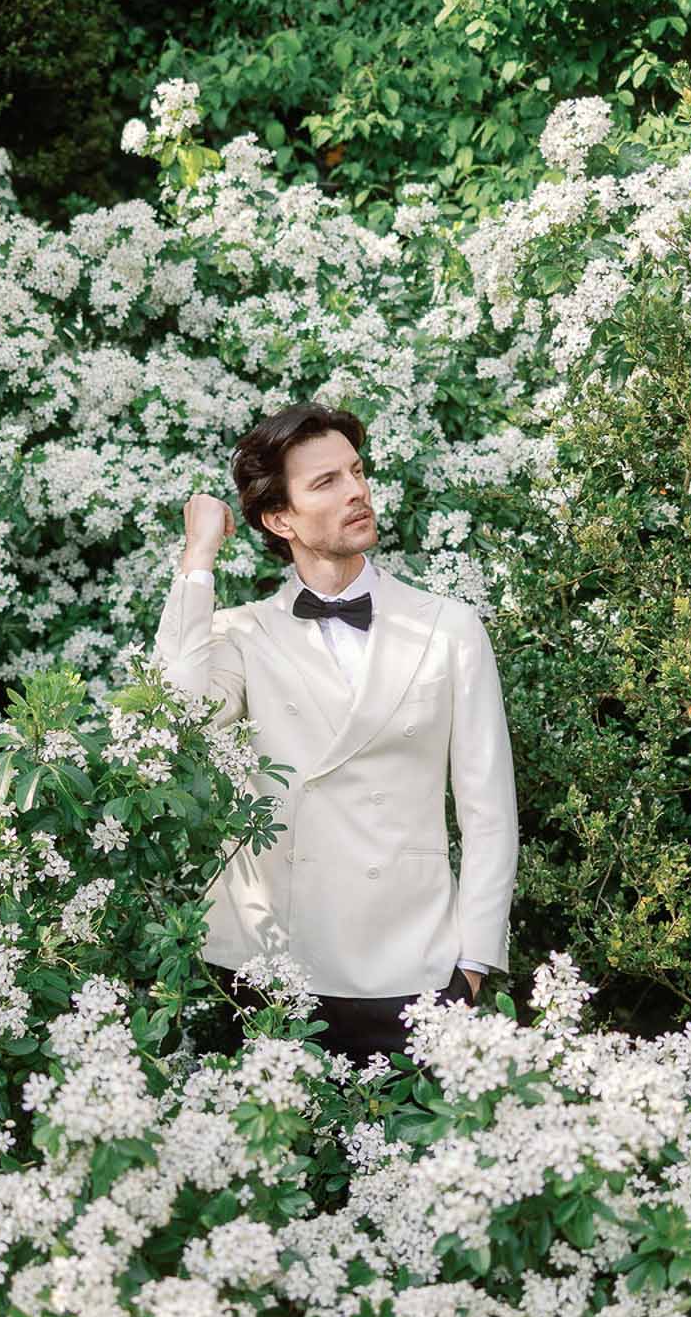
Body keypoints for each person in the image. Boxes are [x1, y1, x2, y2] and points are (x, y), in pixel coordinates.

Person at [152, 401, 519, 1066]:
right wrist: (198, 553)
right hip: (271, 968)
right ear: (278, 518)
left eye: (355, 472)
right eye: (325, 482)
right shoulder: (243, 633)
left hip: (416, 969)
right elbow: (172, 715)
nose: (356, 491)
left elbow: (488, 812)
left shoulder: (449, 627)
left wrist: (471, 964)